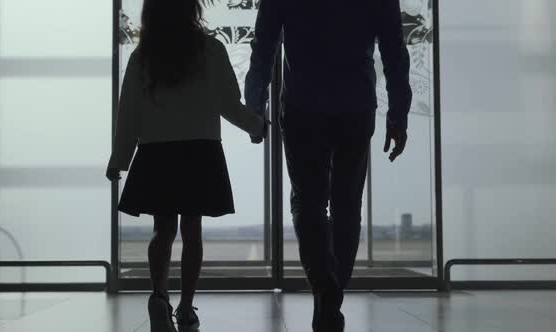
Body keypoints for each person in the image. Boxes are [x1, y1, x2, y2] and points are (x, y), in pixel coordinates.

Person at [245, 0, 412, 331]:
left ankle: (325, 286)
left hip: (302, 104)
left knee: (307, 203)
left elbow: (264, 41)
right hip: (356, 104)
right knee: (347, 205)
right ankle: (333, 288)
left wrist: (254, 103)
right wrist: (398, 113)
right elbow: (394, 47)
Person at [105, 0, 267, 331]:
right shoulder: (211, 50)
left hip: (156, 154)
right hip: (199, 151)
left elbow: (129, 117)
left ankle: (158, 297)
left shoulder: (142, 58)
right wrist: (257, 127)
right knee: (192, 233)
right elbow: (228, 104)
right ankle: (186, 306)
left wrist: (119, 159)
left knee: (162, 231)